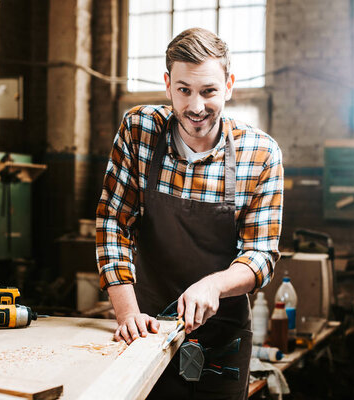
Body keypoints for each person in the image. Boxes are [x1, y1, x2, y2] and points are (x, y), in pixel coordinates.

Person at [96, 27, 283, 399]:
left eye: (209, 91)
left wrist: (214, 284)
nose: (196, 106)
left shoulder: (261, 154)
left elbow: (261, 254)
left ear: (229, 85)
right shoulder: (139, 131)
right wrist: (127, 314)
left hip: (223, 340)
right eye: (184, 90)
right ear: (168, 85)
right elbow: (113, 222)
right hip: (147, 330)